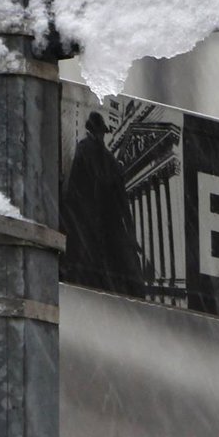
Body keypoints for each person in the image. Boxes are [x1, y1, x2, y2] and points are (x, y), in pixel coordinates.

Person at [60, 111, 145, 298]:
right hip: (106, 229)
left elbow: (73, 192)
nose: (100, 136)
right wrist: (130, 235)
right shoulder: (109, 160)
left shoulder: (86, 151)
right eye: (100, 132)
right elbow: (123, 204)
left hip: (90, 228)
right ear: (99, 132)